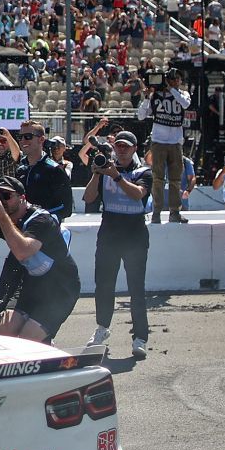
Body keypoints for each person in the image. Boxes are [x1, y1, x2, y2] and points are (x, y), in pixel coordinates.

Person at [0, 177, 80, 343]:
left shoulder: (42, 220)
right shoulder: (3, 219)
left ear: (22, 198)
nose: (2, 201)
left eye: (6, 196)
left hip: (59, 287)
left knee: (28, 338)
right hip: (30, 284)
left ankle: (44, 345)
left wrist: (2, 217)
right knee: (6, 332)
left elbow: (23, 252)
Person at [82, 130, 153, 360]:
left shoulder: (143, 172)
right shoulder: (105, 169)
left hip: (135, 236)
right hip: (109, 234)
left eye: (126, 146)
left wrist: (116, 176)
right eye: (119, 145)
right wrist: (97, 174)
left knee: (136, 289)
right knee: (103, 285)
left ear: (134, 149)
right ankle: (102, 328)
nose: (121, 150)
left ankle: (140, 337)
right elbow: (88, 198)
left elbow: (138, 194)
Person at [138, 69, 191, 223]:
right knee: (158, 179)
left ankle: (175, 212)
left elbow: (185, 104)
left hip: (175, 142)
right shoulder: (155, 95)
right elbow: (141, 115)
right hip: (159, 141)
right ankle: (156, 212)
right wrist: (147, 97)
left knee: (175, 179)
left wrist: (171, 90)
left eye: (178, 79)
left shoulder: (183, 94)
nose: (175, 81)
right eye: (172, 79)